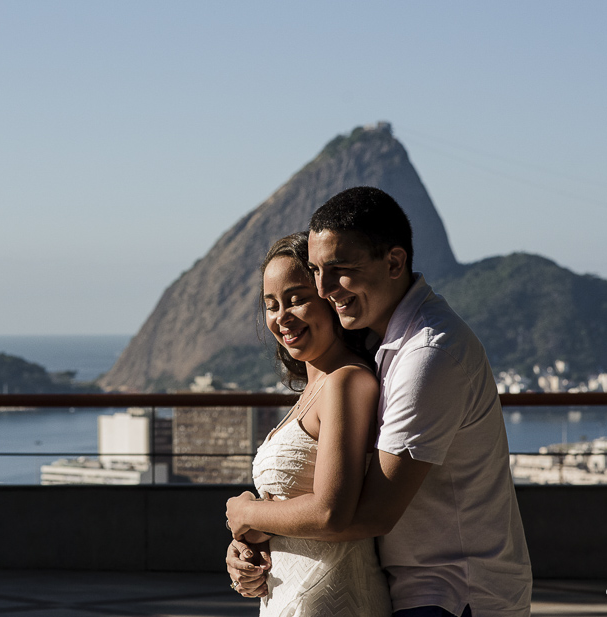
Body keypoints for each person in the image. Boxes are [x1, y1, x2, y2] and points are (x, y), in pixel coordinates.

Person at [227, 187, 532, 617]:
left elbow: (363, 513)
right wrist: (246, 536)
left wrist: (248, 515)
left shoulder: (427, 353)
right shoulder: (379, 344)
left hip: (453, 591)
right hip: (405, 586)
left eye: (339, 270)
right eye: (316, 271)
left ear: (393, 262)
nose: (324, 288)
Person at [224, 232, 392, 617]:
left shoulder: (345, 382)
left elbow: (331, 512)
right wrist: (247, 552)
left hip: (332, 599)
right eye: (271, 305)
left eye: (297, 299)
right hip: (291, 597)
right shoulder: (314, 388)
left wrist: (246, 512)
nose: (282, 316)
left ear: (329, 299)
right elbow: (291, 510)